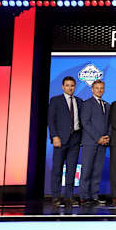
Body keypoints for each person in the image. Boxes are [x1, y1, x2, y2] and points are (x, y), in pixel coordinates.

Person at [47, 76, 83, 207]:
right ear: (63, 87)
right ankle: (56, 196)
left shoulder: (79, 101)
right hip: (60, 140)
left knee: (72, 170)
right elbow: (51, 120)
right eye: (67, 85)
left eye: (72, 85)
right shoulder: (55, 100)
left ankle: (69, 196)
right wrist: (54, 136)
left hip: (75, 139)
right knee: (57, 169)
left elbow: (82, 121)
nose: (70, 88)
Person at [79, 79, 110, 205]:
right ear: (92, 89)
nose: (99, 90)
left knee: (97, 170)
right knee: (87, 170)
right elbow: (86, 123)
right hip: (90, 142)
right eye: (97, 88)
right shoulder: (87, 104)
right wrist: (98, 138)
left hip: (103, 143)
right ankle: (84, 196)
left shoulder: (107, 105)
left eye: (101, 88)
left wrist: (107, 137)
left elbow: (110, 124)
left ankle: (94, 195)